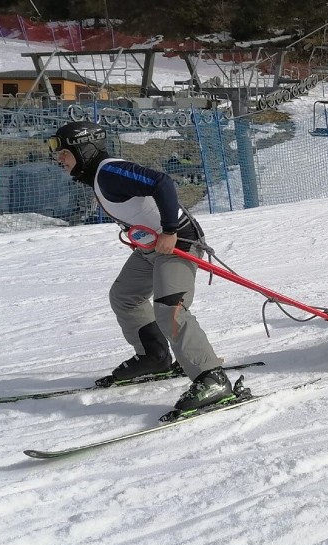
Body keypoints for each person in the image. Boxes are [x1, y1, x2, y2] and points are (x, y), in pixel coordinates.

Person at [47, 121, 240, 412]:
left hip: (179, 243)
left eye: (63, 153)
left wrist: (170, 230)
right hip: (152, 247)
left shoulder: (108, 171)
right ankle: (155, 356)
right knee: (125, 296)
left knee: (169, 307)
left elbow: (161, 181)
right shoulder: (98, 177)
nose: (58, 159)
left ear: (82, 150)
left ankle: (211, 377)